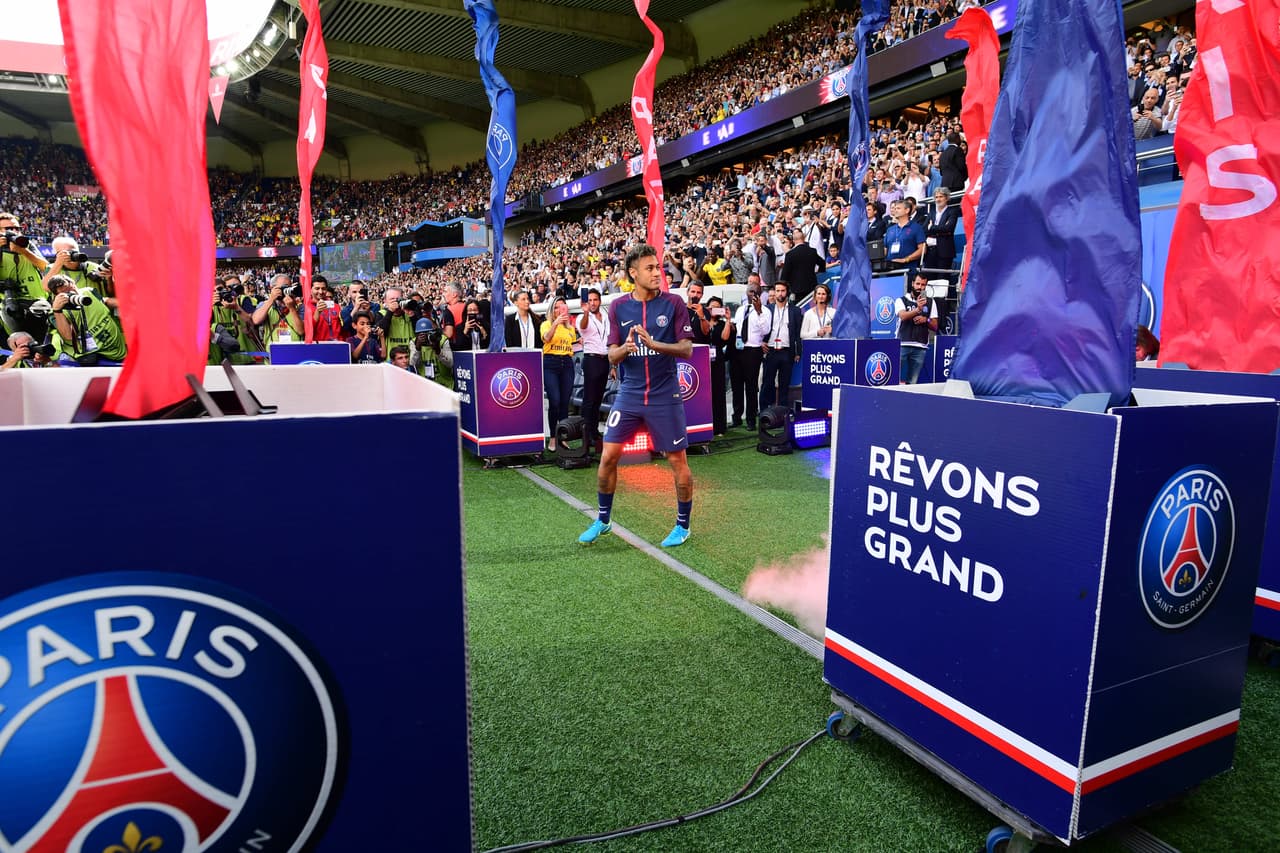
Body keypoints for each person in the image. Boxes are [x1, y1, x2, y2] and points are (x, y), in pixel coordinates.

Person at [579, 243, 695, 548]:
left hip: (665, 395)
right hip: (629, 393)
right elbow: (611, 355)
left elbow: (686, 349)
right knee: (608, 456)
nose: (658, 273)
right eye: (650, 268)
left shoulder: (674, 303)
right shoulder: (618, 306)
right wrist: (625, 349)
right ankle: (603, 519)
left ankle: (683, 526)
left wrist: (655, 345)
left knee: (677, 461)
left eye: (658, 267)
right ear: (633, 273)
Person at [46, 274, 128, 366]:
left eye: (71, 290)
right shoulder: (56, 312)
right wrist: (57, 310)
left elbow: (104, 301)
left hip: (117, 350)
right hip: (90, 358)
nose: (71, 295)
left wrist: (128, 303)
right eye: (66, 294)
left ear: (73, 283)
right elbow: (68, 336)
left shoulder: (89, 292)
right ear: (57, 295)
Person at [0, 212, 50, 338]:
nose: (14, 231)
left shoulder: (27, 245)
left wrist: (23, 251)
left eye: (17, 228)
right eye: (9, 228)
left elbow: (45, 267)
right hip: (8, 302)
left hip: (36, 302)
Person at [541, 294, 578, 452]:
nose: (559, 310)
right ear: (552, 309)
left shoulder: (570, 328)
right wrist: (555, 323)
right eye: (556, 307)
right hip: (550, 362)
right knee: (554, 401)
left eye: (561, 307)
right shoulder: (546, 324)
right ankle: (553, 438)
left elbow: (571, 346)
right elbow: (546, 338)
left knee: (564, 402)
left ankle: (563, 437)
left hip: (567, 363)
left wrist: (579, 342)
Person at [730, 275, 768, 430]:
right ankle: (737, 417)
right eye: (750, 291)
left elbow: (765, 330)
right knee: (736, 386)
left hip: (753, 351)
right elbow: (738, 328)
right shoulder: (740, 309)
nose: (752, 293)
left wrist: (759, 312)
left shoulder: (765, 311)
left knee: (751, 387)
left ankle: (751, 420)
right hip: (738, 349)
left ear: (760, 293)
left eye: (755, 291)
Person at [759, 280, 803, 410]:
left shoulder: (795, 310)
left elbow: (798, 333)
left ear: (787, 292)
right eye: (777, 291)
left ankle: (783, 412)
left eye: (782, 291)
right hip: (770, 350)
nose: (780, 293)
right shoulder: (767, 309)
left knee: (784, 384)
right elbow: (759, 328)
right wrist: (761, 342)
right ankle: (764, 410)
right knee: (767, 382)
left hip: (787, 351)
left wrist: (798, 352)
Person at [577, 288, 611, 453]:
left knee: (598, 398)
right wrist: (585, 313)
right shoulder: (582, 317)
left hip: (605, 360)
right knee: (589, 399)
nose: (592, 303)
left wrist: (613, 365)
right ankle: (586, 434)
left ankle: (594, 431)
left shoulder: (605, 316)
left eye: (595, 300)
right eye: (589, 300)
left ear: (600, 301)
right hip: (591, 359)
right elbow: (583, 327)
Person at [898, 274, 938, 384]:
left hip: (920, 347)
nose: (920, 287)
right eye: (918, 284)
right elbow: (903, 316)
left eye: (923, 285)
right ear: (912, 284)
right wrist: (917, 310)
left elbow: (935, 326)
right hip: (902, 344)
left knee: (913, 382)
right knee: (897, 380)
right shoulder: (901, 300)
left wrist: (926, 320)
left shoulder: (931, 302)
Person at [252, 274, 304, 348]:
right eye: (283, 287)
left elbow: (301, 331)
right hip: (272, 352)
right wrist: (271, 299)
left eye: (288, 287)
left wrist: (292, 308)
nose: (285, 290)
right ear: (272, 288)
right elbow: (256, 320)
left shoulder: (299, 306)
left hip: (295, 351)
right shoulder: (264, 304)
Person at [705, 295, 732, 435]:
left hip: (718, 361)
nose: (714, 309)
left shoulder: (722, 324)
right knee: (704, 394)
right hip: (703, 361)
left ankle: (719, 427)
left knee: (718, 393)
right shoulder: (702, 321)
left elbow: (725, 338)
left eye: (717, 307)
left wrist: (728, 319)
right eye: (712, 307)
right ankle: (705, 424)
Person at [884, 200, 926, 283]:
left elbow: (922, 249)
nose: (895, 210)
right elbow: (885, 249)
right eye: (894, 208)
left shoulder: (916, 227)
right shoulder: (890, 229)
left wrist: (906, 259)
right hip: (890, 272)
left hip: (908, 271)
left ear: (907, 210)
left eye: (898, 208)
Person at [779, 232, 823, 301]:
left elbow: (785, 274)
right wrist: (818, 273)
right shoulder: (812, 251)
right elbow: (822, 263)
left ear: (793, 240)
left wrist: (783, 288)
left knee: (798, 306)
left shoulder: (790, 254)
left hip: (796, 288)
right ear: (804, 239)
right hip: (811, 286)